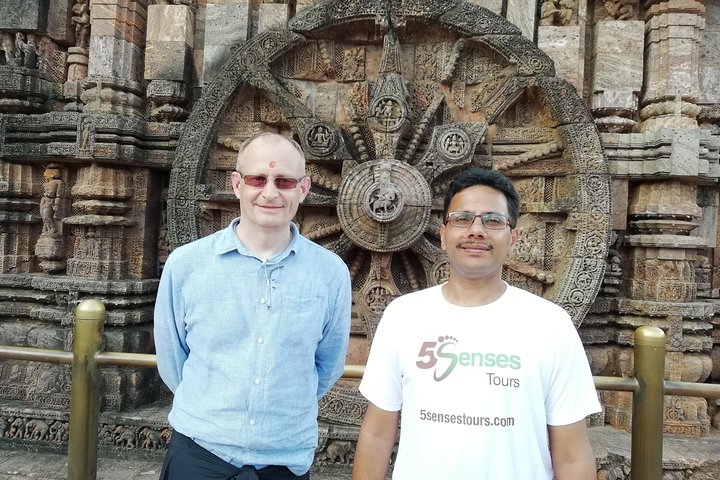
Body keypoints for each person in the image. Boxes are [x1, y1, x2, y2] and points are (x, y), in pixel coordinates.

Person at [352, 167, 600, 479]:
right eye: (462, 218)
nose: (476, 230)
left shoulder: (550, 324)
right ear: (443, 235)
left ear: (514, 238)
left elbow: (573, 455)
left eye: (493, 220)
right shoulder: (403, 316)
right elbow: (376, 435)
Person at [154, 132, 352, 480]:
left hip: (284, 459)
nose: (271, 192)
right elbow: (173, 361)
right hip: (200, 453)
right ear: (237, 185)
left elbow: (327, 366)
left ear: (303, 189)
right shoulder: (187, 265)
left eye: (285, 181)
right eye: (258, 178)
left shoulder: (330, 273)